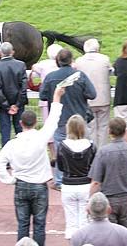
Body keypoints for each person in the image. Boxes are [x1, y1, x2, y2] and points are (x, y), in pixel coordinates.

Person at [0, 86, 64, 246]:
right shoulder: (41, 137)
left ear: (21, 123)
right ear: (35, 122)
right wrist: (57, 96)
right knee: (39, 225)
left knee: (22, 224)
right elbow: (53, 119)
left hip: (21, 185)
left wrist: (10, 180)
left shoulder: (12, 144)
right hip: (39, 186)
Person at [39, 48, 96, 190]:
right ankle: (85, 176)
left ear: (57, 61)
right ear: (71, 61)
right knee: (84, 148)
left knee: (60, 151)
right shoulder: (80, 76)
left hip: (60, 120)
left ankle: (59, 180)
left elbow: (42, 95)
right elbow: (92, 94)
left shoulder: (51, 77)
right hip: (79, 119)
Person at [57, 114, 96, 241]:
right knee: (86, 221)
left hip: (68, 185)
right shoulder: (91, 145)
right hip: (86, 185)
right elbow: (95, 166)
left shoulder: (62, 145)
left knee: (71, 223)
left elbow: (61, 167)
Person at [75, 38, 112, 148]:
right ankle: (102, 152)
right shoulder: (105, 59)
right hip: (103, 98)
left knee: (90, 129)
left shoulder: (79, 61)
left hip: (87, 99)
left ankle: (92, 153)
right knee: (103, 128)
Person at [30, 43, 63, 159]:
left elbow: (33, 68)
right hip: (62, 99)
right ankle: (61, 154)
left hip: (46, 101)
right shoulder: (63, 65)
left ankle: (53, 155)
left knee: (48, 126)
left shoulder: (43, 65)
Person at [0, 42, 28, 147]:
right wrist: (17, 105)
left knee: (5, 131)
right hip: (18, 104)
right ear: (12, 52)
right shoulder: (21, 65)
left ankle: (6, 157)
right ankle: (21, 155)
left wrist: (6, 106)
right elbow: (23, 87)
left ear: (0, 53)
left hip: (3, 106)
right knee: (20, 131)